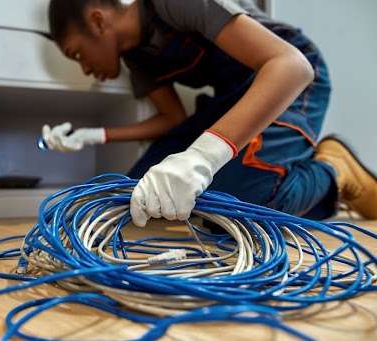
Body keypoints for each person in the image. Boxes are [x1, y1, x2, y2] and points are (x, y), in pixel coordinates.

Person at [42, 0, 377, 227]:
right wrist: (95, 136)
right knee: (134, 193)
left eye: (77, 54)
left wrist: (202, 159)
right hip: (232, 98)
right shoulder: (136, 57)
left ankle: (332, 171)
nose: (85, 68)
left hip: (291, 80)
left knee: (234, 210)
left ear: (98, 21)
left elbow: (291, 66)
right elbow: (172, 121)